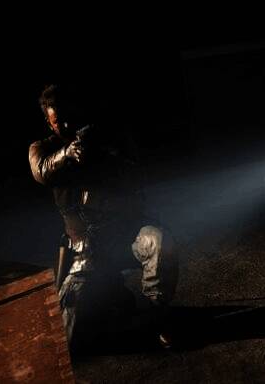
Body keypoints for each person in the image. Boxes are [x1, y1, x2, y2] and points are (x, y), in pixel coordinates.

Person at [29, 84, 178, 350]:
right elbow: (41, 170)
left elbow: (137, 174)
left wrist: (107, 155)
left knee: (158, 240)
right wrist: (67, 154)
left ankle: (158, 317)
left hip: (121, 236)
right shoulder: (42, 148)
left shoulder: (99, 137)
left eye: (67, 117)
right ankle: (113, 296)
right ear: (48, 123)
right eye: (57, 121)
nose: (65, 124)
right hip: (84, 250)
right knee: (68, 336)